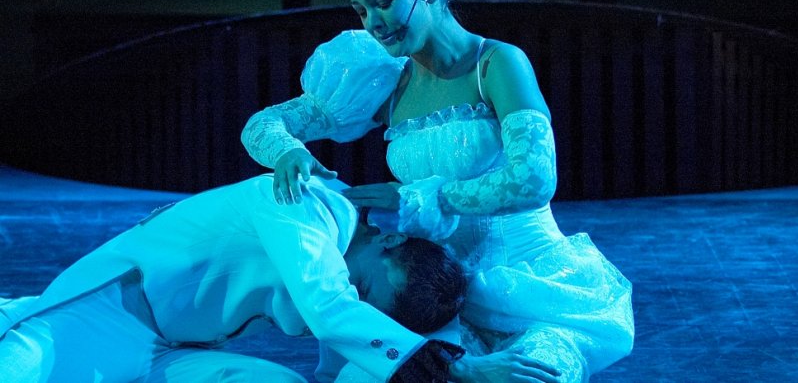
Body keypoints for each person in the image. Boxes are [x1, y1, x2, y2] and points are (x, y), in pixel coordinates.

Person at [241, 0, 635, 382]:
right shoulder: (385, 82)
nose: (373, 22)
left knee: (533, 376)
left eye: (383, 1)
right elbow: (262, 125)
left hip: (530, 286)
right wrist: (288, 151)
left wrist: (418, 198)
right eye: (361, 9)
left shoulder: (496, 64)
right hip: (437, 297)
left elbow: (534, 179)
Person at [0, 174, 467, 382]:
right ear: (389, 240)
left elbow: (336, 349)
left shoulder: (342, 291)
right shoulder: (300, 201)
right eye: (362, 289)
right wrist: (443, 368)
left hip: (173, 354)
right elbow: (330, 309)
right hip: (104, 320)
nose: (354, 300)